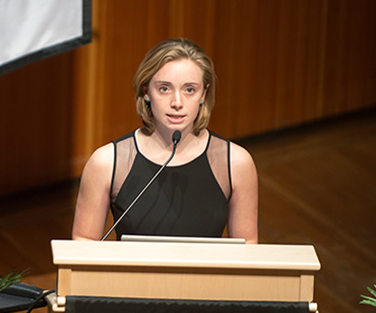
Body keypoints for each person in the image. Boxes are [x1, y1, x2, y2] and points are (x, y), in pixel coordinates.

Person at [72, 38, 258, 243]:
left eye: (189, 90)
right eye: (164, 89)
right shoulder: (107, 163)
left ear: (204, 94)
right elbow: (84, 244)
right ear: (146, 92)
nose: (177, 103)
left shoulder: (236, 163)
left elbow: (246, 253)